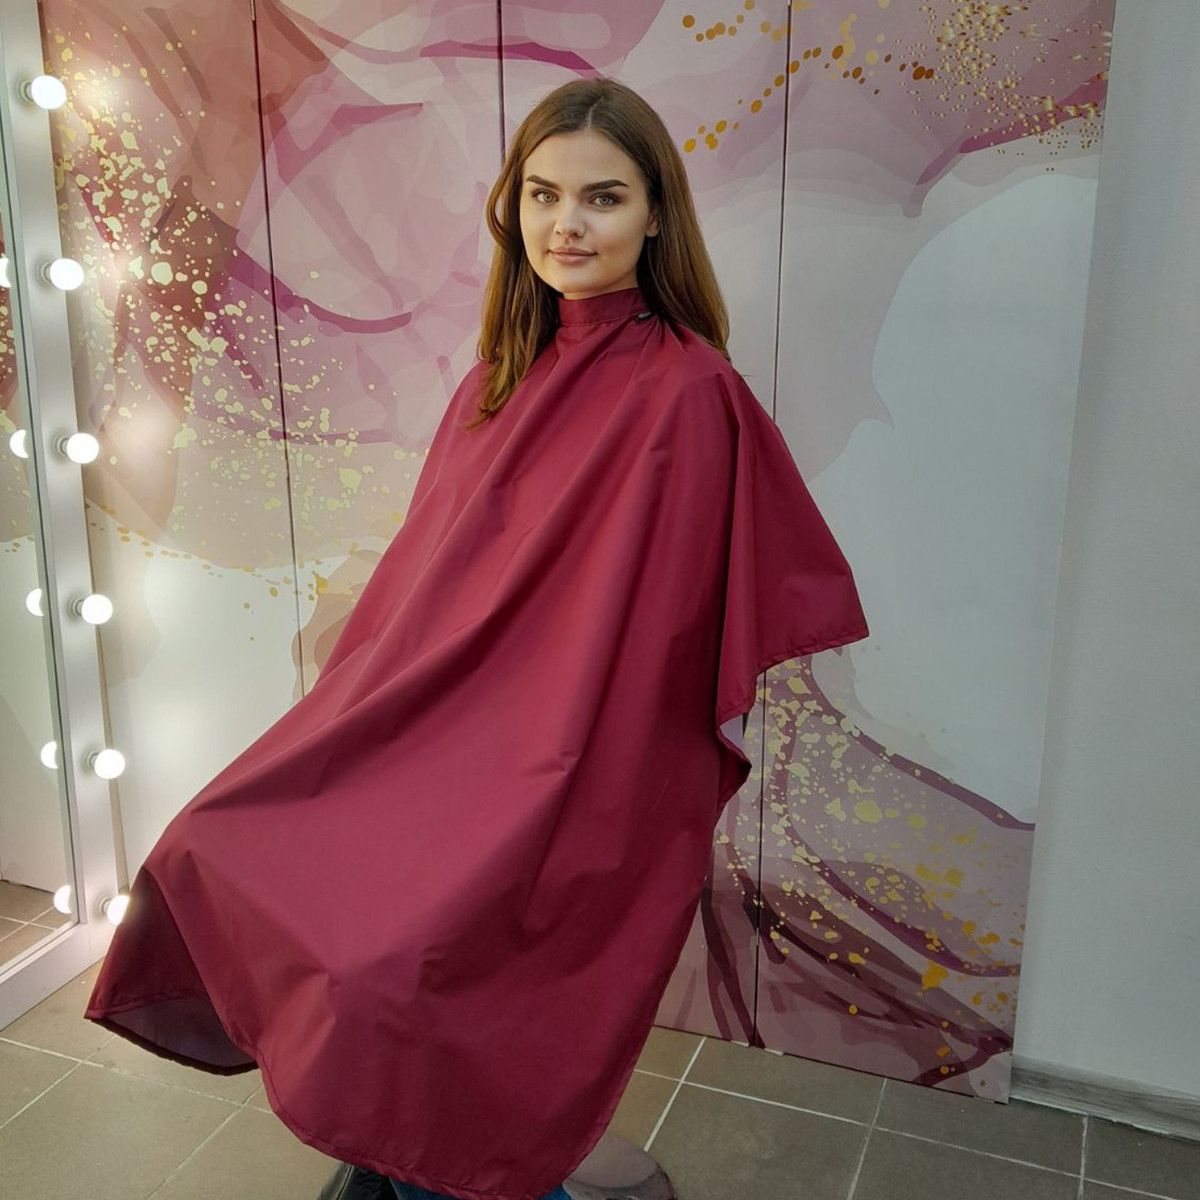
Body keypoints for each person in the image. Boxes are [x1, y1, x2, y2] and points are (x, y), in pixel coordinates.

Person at [84, 75, 868, 1200]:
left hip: (571, 764)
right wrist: (359, 708)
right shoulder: (494, 381)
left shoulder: (690, 395)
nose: (567, 225)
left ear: (657, 215)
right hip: (436, 735)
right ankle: (395, 1149)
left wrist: (540, 752)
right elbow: (434, 591)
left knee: (397, 967)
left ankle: (453, 1166)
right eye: (544, 195)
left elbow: (657, 633)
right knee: (213, 849)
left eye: (603, 198)